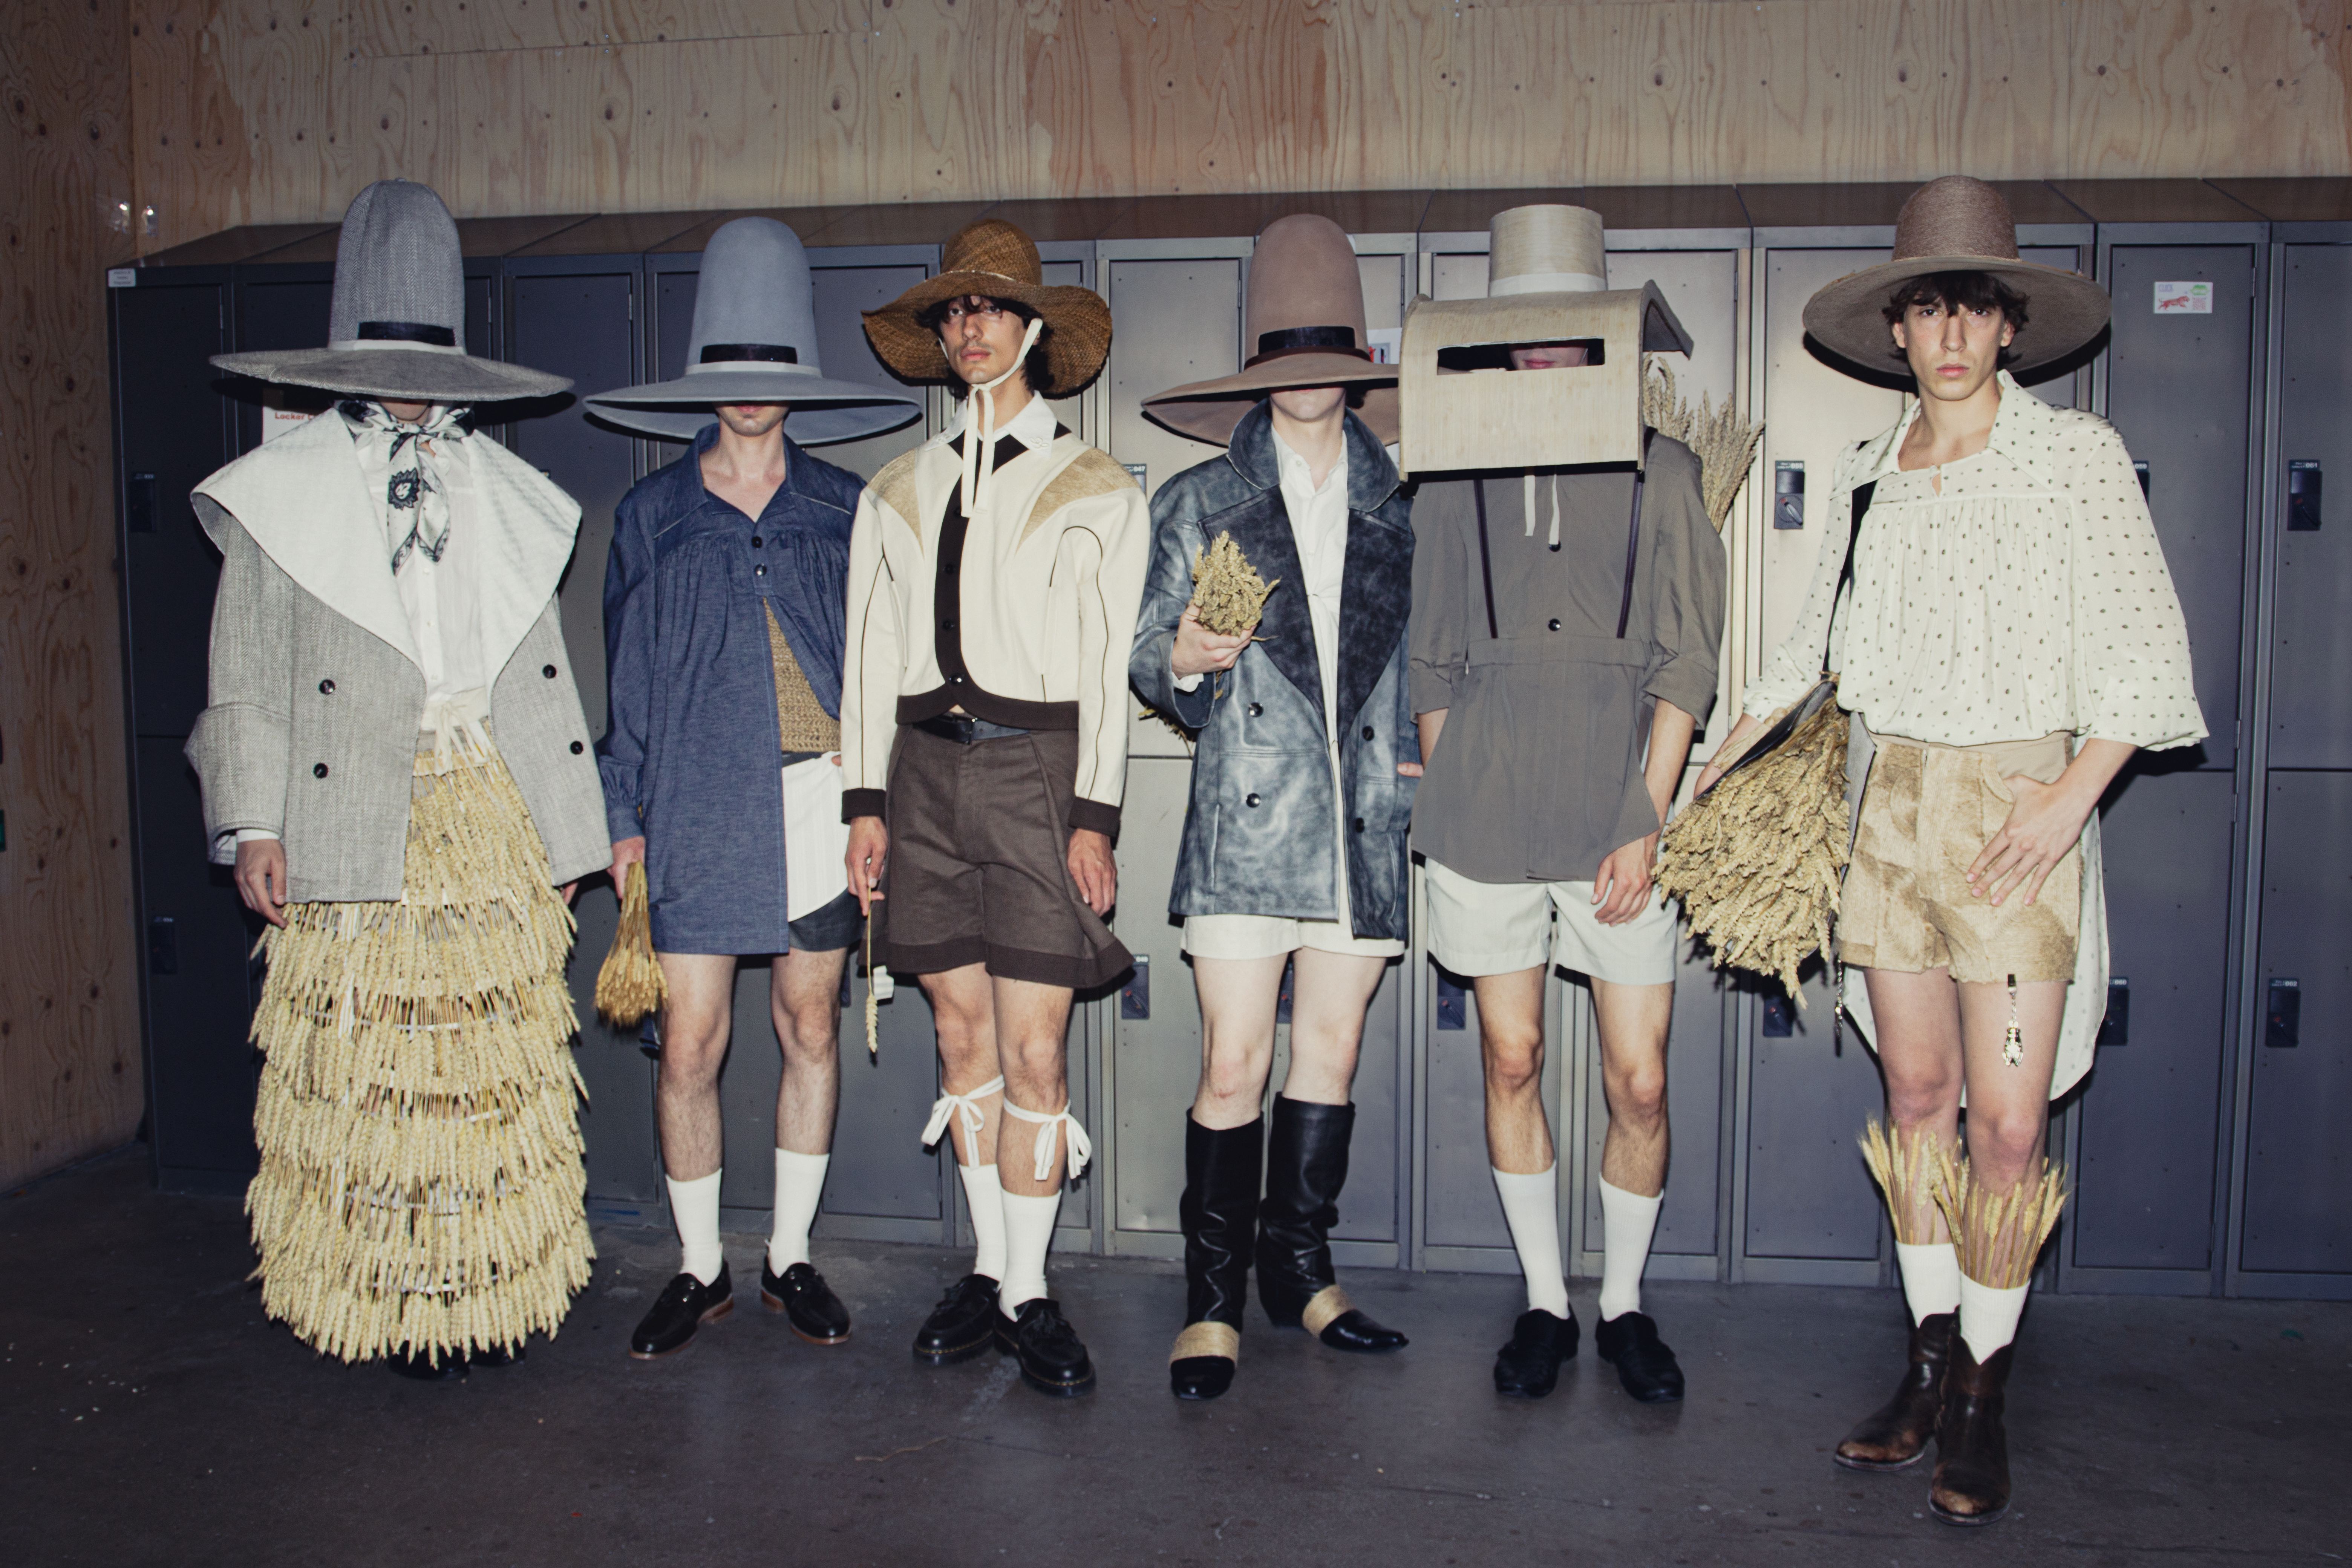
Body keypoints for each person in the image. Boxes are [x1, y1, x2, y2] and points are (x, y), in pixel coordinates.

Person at [1706, 176, 2203, 1526]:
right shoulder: (1871, 476)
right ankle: (1926, 1365)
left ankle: (1985, 1388)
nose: (1948, 336)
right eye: (1926, 308)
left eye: (1972, 308)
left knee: (2010, 1122)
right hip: (1889, 806)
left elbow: (2149, 659)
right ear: (1899, 329)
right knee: (1916, 1102)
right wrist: (1701, 779)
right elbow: (1804, 660)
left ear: (2009, 326)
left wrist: (2067, 804)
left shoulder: (2076, 459)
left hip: (2019, 813)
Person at [187, 179, 610, 1377]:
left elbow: (541, 675)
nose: (408, 384)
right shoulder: (288, 491)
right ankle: (377, 1293)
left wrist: (565, 841)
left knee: (480, 1057)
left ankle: (477, 1288)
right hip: (350, 810)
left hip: (480, 811)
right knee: (367, 1062)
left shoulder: (496, 488)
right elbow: (249, 672)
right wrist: (252, 822)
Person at [584, 217, 924, 1359]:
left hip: (818, 802)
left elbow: (885, 672)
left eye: (765, 378)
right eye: (726, 378)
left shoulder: (844, 507)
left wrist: (875, 797)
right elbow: (623, 685)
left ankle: (788, 1258)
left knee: (811, 1023)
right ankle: (697, 1269)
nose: (746, 399)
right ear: (701, 384)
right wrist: (623, 819)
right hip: (692, 809)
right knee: (690, 1044)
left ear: (799, 385)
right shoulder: (651, 516)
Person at [1407, 205, 1726, 1405]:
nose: (1550, 357)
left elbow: (1686, 664)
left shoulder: (1672, 472)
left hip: (1617, 811)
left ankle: (1627, 1306)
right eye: (1527, 338)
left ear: (1613, 341)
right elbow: (1432, 663)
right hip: (1486, 813)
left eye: (1572, 335)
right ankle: (1546, 1300)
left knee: (1638, 1079)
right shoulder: (1449, 477)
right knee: (1513, 1051)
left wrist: (1643, 814)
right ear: (1501, 349)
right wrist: (1457, 788)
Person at [842, 219, 1149, 1397]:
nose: (970, 329)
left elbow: (1109, 666)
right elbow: (871, 658)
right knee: (961, 1040)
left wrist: (1095, 818)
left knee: (1033, 1046)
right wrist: (865, 801)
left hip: (1037, 778)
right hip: (921, 775)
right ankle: (990, 1269)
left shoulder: (1097, 489)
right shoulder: (896, 488)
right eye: (951, 314)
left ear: (1033, 330)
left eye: (990, 310)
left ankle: (1030, 1291)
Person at [1132, 214, 1418, 1401]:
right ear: (1258, 369)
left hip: (1361, 824)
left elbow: (1425, 666)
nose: (1308, 382)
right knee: (1237, 1059)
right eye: (1286, 362)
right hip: (1250, 824)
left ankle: (1303, 1274)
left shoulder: (1402, 501)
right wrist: (1190, 658)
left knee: (1333, 1053)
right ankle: (1212, 1302)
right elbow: (1151, 656)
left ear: (1355, 371)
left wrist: (1418, 765)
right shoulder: (1204, 496)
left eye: (1329, 361)